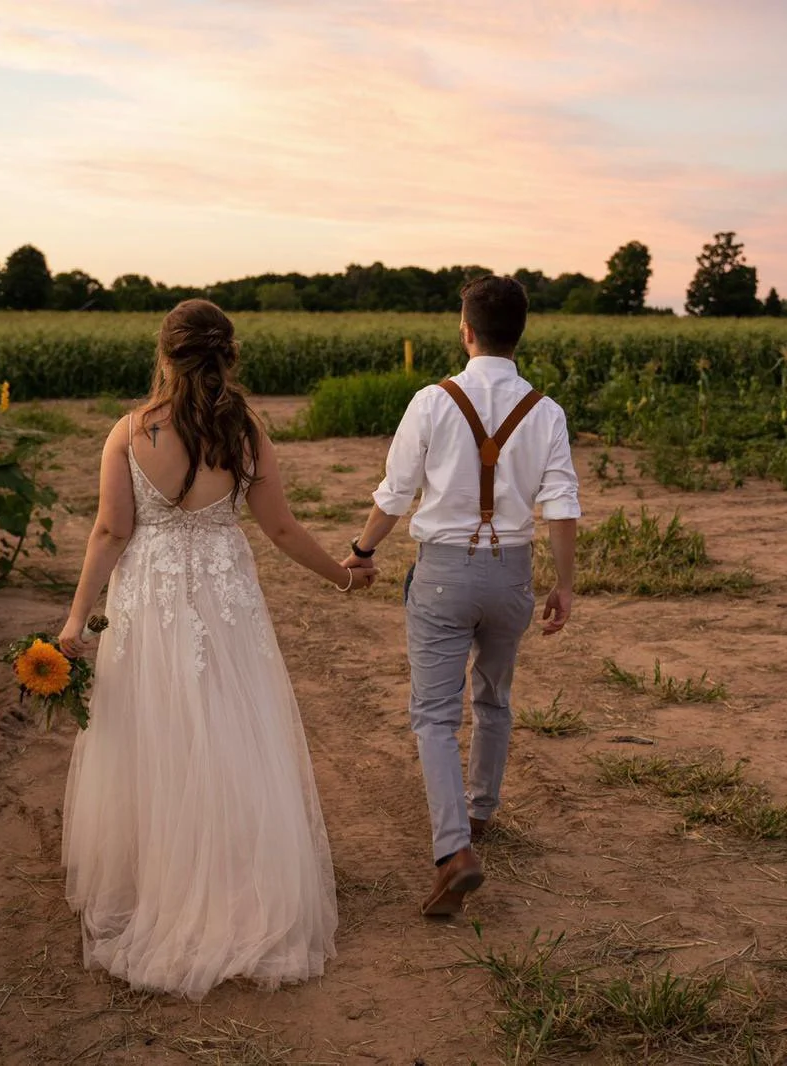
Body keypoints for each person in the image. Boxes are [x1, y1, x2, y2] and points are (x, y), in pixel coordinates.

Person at [55, 299, 374, 999]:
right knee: (232, 729)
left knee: (154, 733)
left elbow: (110, 532)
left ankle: (159, 886)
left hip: (152, 601)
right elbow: (283, 530)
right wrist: (343, 577)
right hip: (225, 601)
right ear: (228, 355)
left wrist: (77, 620)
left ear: (165, 355)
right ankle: (235, 886)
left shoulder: (129, 432)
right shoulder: (245, 428)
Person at [343, 275, 580, 917]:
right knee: (495, 697)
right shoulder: (547, 411)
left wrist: (363, 553)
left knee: (435, 716)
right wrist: (563, 583)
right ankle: (480, 814)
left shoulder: (432, 400)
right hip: (511, 574)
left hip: (445, 572)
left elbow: (396, 492)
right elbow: (561, 504)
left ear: (466, 330)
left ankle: (453, 852)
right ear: (518, 333)